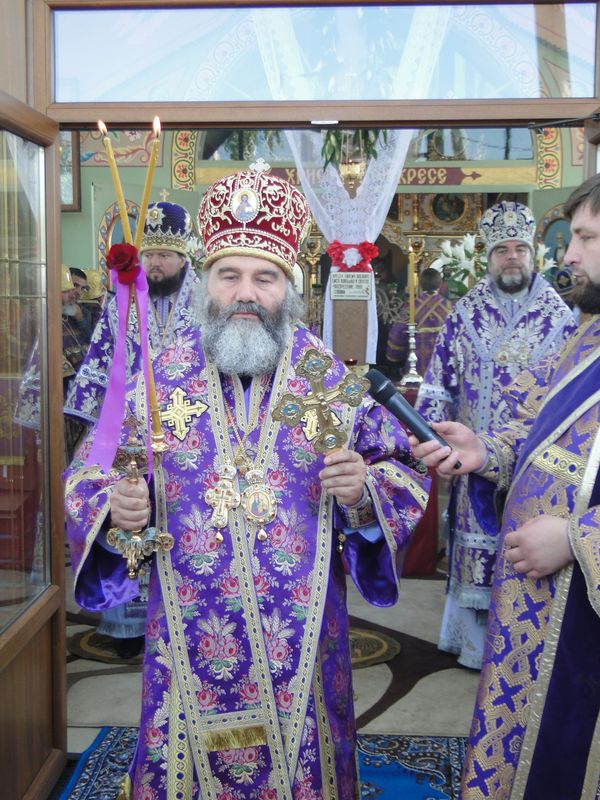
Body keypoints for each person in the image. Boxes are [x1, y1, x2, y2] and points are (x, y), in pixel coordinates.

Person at [64, 162, 431, 800]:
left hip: (302, 636)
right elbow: (90, 474)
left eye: (264, 278)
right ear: (205, 282)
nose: (245, 293)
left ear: (289, 287)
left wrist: (363, 493)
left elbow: (402, 470)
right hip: (187, 631)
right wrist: (117, 506)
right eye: (228, 275)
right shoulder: (161, 377)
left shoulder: (323, 379)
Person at [409, 172, 600, 799]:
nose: (569, 254)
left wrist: (577, 539)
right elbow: (544, 425)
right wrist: (484, 448)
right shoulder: (588, 332)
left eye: (586, 238)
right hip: (541, 606)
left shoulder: (562, 314)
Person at [415, 201, 576, 669]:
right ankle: (472, 647)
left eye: (519, 249)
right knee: (476, 544)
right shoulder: (464, 313)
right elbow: (438, 381)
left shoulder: (560, 316)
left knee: (529, 545)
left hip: (535, 462)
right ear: (488, 257)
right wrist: (431, 436)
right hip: (474, 459)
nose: (511, 258)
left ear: (533, 255)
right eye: (502, 250)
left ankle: (522, 648)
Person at [65, 201, 200, 660]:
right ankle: (127, 626)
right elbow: (102, 356)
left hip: (189, 426)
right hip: (128, 426)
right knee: (123, 508)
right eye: (150, 254)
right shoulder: (121, 299)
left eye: (165, 255)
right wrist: (91, 422)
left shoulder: (204, 301)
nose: (156, 264)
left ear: (183, 257)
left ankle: (186, 614)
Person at [385, 266, 452, 378]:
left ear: (420, 285)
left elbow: (397, 334)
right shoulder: (450, 307)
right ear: (440, 284)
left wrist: (394, 357)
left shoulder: (411, 307)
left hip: (416, 368)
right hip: (444, 367)